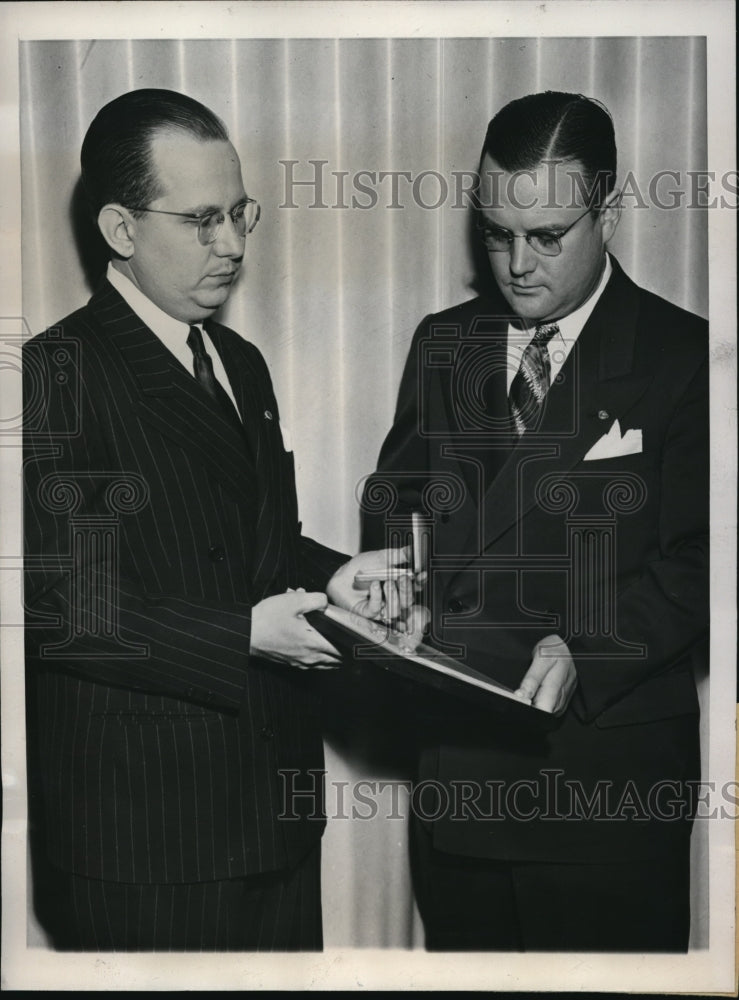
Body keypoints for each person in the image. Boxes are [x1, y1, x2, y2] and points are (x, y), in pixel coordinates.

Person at [22, 87, 411, 952]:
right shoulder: (57, 371)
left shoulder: (239, 360)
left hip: (271, 810)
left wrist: (331, 573)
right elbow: (62, 607)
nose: (232, 246)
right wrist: (242, 633)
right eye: (201, 220)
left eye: (238, 214)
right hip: (144, 839)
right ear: (121, 230)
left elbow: (246, 541)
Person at [362, 91, 708, 952]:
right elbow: (396, 496)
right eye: (494, 233)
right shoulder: (444, 341)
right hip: (462, 785)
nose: (516, 263)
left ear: (611, 213)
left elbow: (706, 563)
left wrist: (581, 650)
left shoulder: (687, 358)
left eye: (546, 236)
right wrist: (394, 582)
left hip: (604, 792)